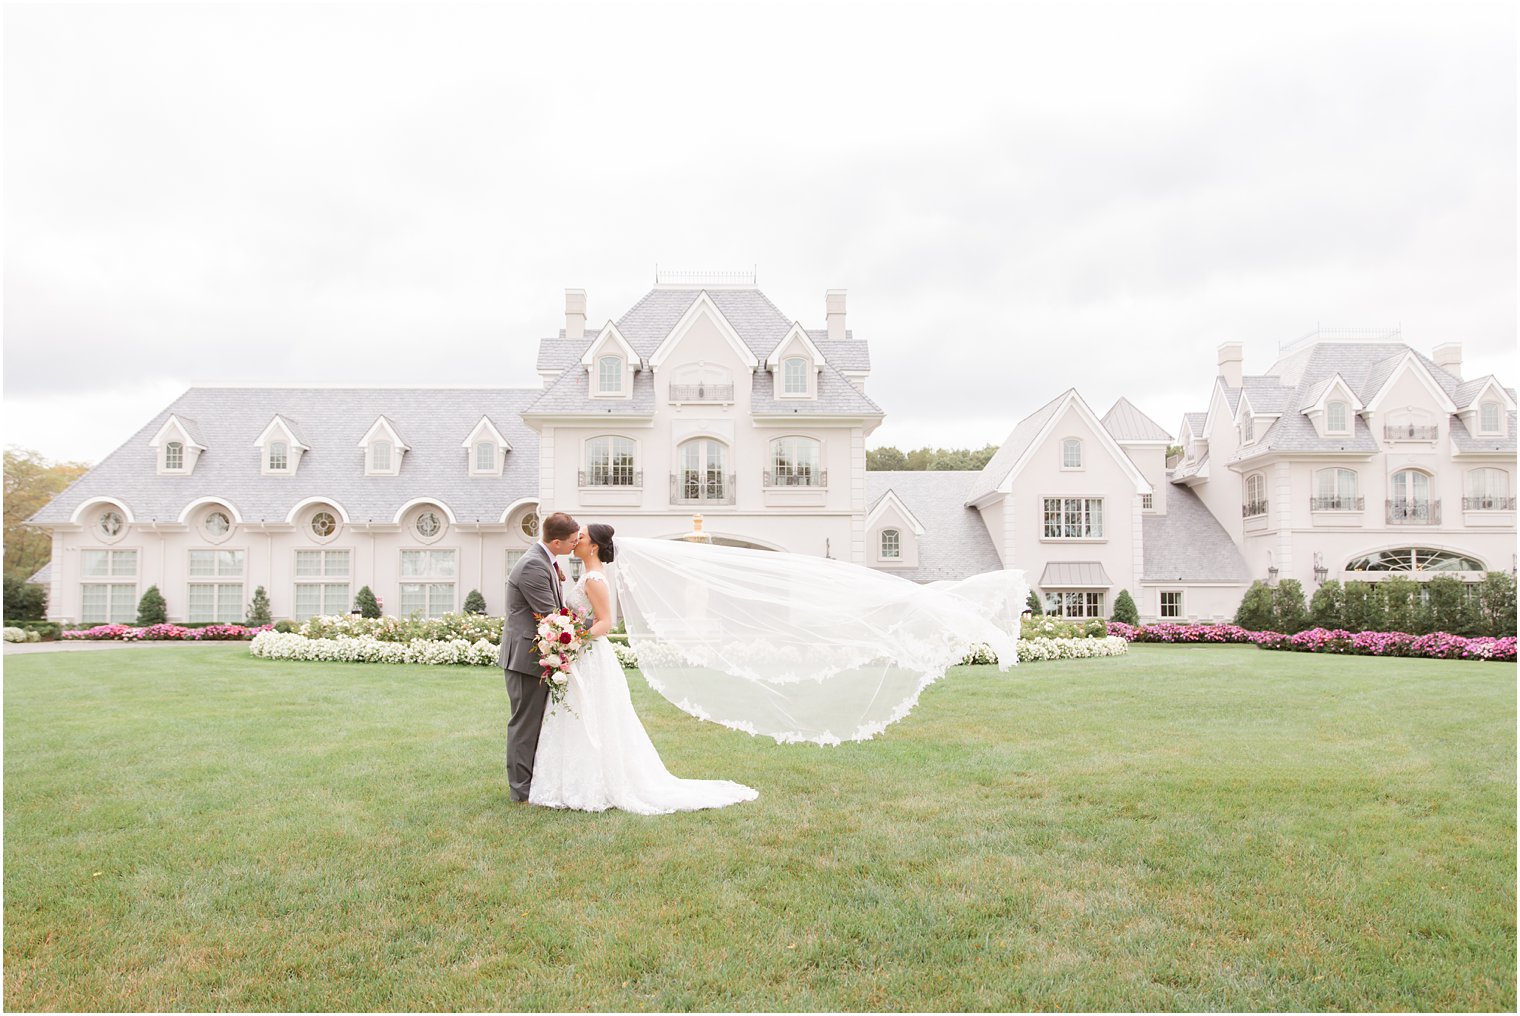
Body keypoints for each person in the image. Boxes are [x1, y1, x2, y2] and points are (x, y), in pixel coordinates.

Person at [528, 523, 758, 814]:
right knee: (581, 715)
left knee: (595, 717)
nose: (576, 541)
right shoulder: (588, 575)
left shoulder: (595, 578)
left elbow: (605, 622)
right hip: (582, 656)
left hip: (590, 655)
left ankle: (594, 783)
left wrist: (571, 639)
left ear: (594, 546)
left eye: (581, 537)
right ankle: (570, 781)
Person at [499, 510, 580, 803]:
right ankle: (520, 790)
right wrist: (585, 628)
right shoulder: (534, 565)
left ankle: (532, 782)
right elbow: (551, 615)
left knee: (535, 722)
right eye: (572, 541)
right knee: (525, 723)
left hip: (536, 656)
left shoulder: (544, 559)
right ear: (556, 542)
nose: (575, 545)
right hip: (525, 658)